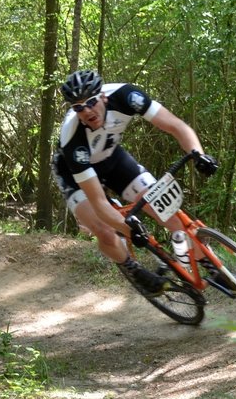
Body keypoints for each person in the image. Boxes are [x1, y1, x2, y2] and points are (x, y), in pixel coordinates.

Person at [51, 70, 219, 296]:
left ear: (103, 97)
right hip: (74, 174)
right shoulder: (72, 139)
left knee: (166, 210)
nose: (87, 110)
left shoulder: (127, 96)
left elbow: (176, 126)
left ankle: (213, 268)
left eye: (91, 102)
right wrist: (127, 230)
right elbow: (99, 202)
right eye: (78, 107)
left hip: (112, 159)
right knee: (105, 230)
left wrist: (199, 155)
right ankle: (132, 268)